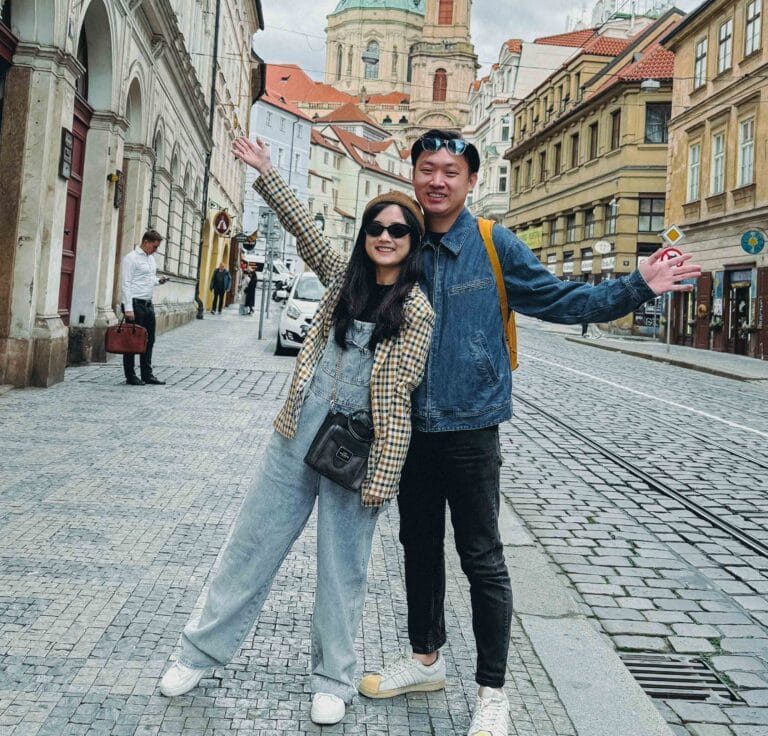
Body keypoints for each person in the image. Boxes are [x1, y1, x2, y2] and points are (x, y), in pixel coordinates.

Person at [358, 128, 701, 736]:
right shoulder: (398, 241)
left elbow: (560, 299)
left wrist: (635, 287)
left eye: (451, 172)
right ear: (412, 174)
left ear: (470, 182)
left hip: (471, 426)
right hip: (407, 428)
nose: (437, 181)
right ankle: (425, 659)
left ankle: (493, 691)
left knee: (482, 559)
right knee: (418, 549)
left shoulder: (493, 243)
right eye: (427, 169)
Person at [158, 135, 434, 727]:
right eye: (376, 227)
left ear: (412, 245)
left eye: (398, 230)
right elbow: (305, 230)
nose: (385, 236)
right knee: (251, 544)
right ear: (365, 236)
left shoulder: (415, 311)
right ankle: (197, 652)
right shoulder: (342, 281)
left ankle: (333, 678)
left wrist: (383, 477)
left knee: (343, 568)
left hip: (359, 449)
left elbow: (401, 401)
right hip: (297, 430)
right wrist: (264, 171)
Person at [120, 228, 169, 386]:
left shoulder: (151, 259)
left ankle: (147, 374)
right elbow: (126, 283)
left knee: (149, 339)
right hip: (134, 303)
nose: (155, 250)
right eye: (154, 246)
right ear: (145, 242)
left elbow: (147, 278)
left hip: (148, 303)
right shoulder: (131, 258)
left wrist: (158, 280)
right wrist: (128, 308)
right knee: (133, 341)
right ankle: (130, 375)